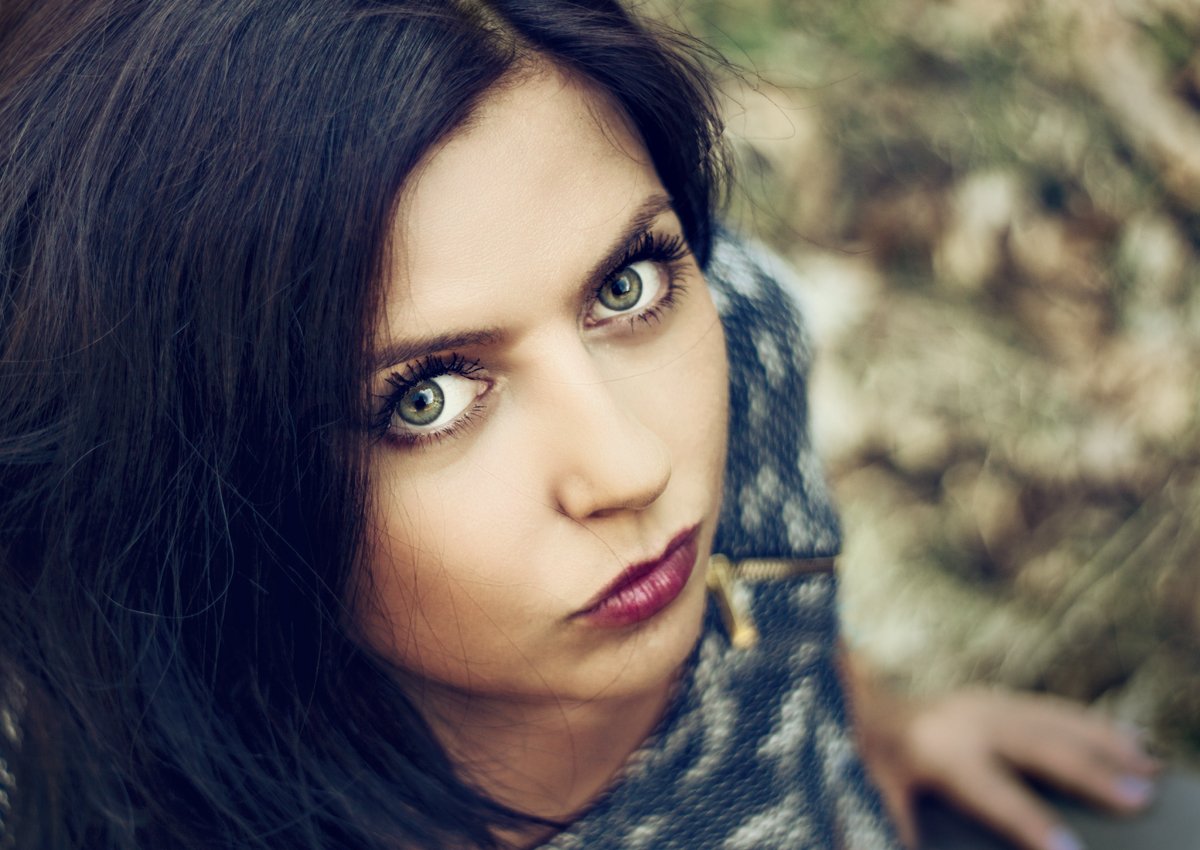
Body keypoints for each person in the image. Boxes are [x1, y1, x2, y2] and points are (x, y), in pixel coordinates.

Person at [0, 1, 1159, 848]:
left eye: (622, 285)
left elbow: (776, 589)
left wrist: (871, 722)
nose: (635, 464)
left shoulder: (738, 332)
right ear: (191, 487)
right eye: (427, 397)